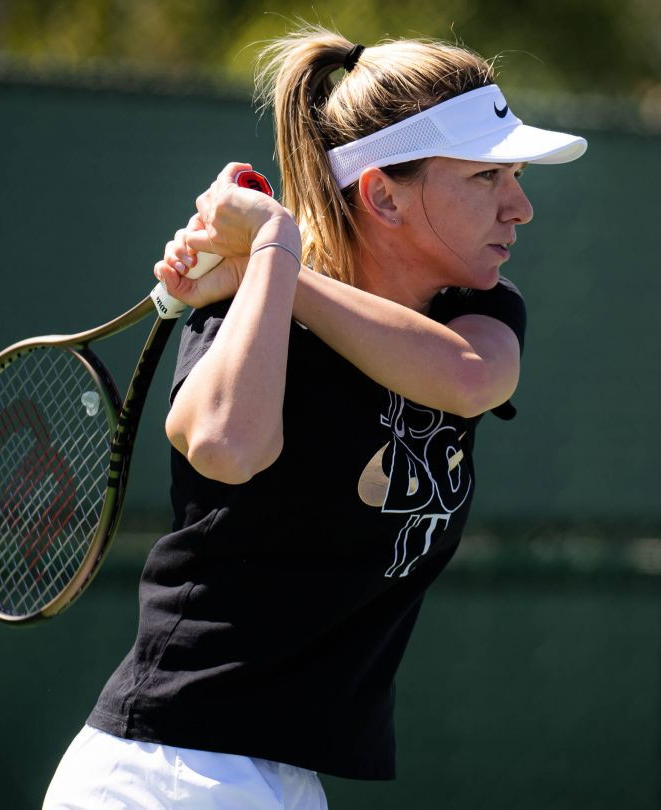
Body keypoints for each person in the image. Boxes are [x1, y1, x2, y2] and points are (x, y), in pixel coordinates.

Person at [43, 24, 586, 809]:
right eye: (485, 178)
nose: (521, 206)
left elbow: (469, 379)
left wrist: (274, 254)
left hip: (283, 779)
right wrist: (271, 255)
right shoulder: (247, 310)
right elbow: (226, 446)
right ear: (384, 195)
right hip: (168, 773)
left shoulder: (478, 313)